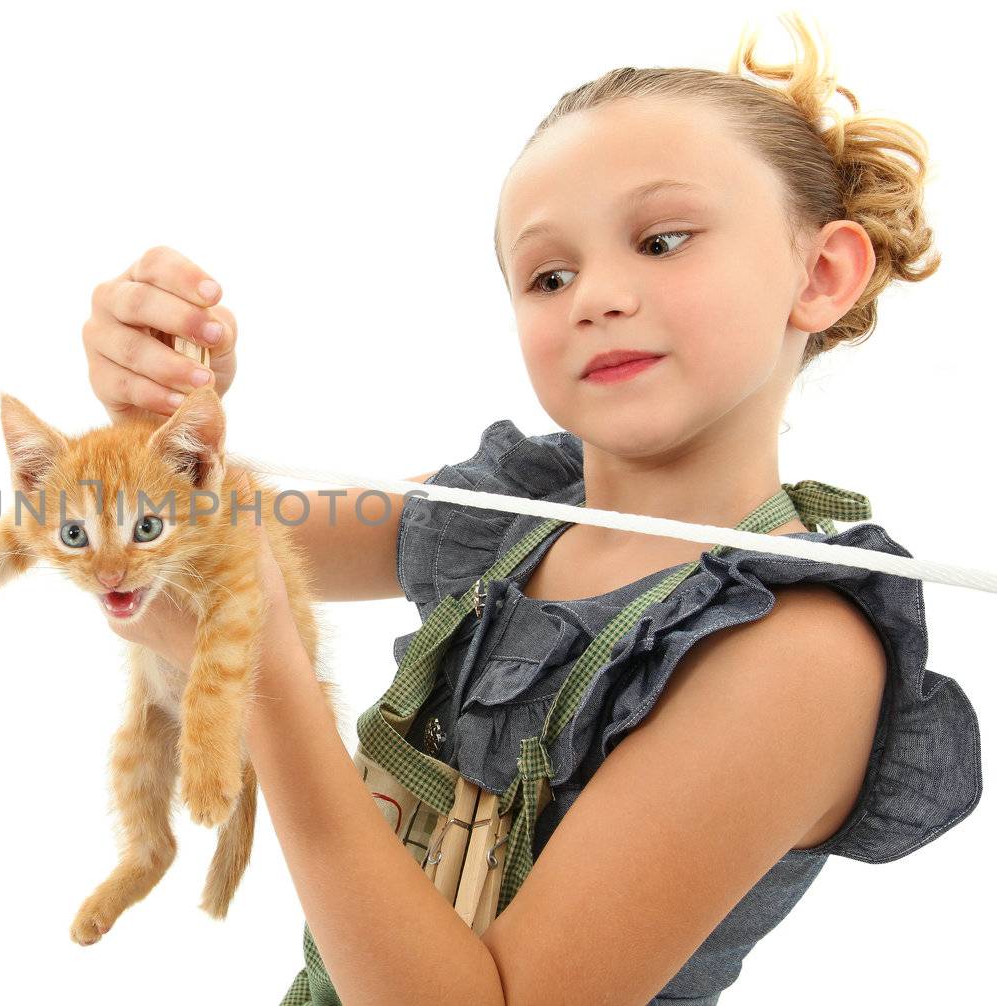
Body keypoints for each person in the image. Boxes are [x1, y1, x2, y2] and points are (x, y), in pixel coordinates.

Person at [77, 14, 981, 1004]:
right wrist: (162, 415)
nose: (595, 295)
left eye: (661, 239)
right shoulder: (517, 508)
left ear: (819, 274)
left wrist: (261, 685)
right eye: (549, 274)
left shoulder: (797, 649)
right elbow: (207, 529)